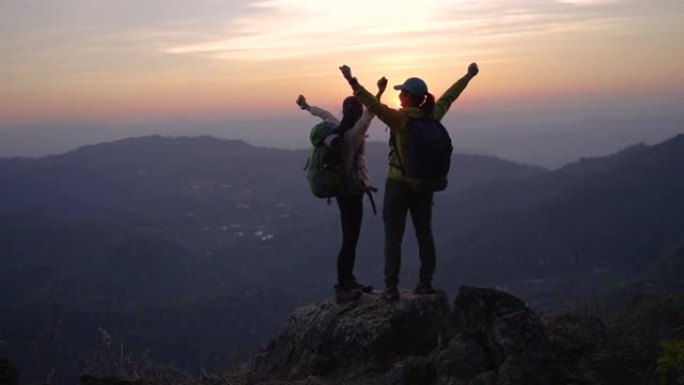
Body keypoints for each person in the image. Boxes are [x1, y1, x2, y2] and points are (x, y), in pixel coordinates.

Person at [339, 63, 479, 301]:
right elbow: (450, 97)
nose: (400, 95)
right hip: (425, 184)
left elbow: (372, 105)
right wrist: (468, 76)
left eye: (402, 92)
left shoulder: (401, 119)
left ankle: (391, 288)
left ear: (408, 97)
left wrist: (352, 81)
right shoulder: (432, 116)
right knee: (425, 233)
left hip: (398, 185)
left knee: (394, 236)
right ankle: (426, 283)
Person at [296, 76, 388, 303]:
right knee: (350, 240)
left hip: (341, 192)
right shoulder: (353, 135)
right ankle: (342, 286)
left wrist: (306, 106)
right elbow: (370, 114)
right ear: (356, 113)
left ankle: (349, 280)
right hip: (351, 193)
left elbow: (323, 113)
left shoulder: (337, 128)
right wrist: (378, 94)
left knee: (350, 239)